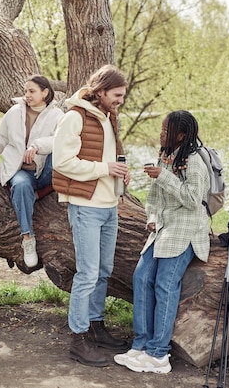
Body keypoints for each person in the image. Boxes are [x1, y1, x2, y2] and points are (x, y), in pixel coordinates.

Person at [114, 110, 210, 373]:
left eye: (166, 131)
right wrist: (153, 217)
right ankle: (141, 345)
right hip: (165, 227)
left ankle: (159, 355)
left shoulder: (194, 162)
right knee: (142, 278)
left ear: (181, 135)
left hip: (186, 229)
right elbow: (154, 198)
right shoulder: (166, 156)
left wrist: (163, 176)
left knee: (165, 285)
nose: (161, 134)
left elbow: (192, 200)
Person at [52, 65, 131, 367]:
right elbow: (62, 162)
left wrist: (120, 174)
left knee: (103, 270)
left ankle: (96, 326)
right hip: (85, 207)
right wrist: (104, 169)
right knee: (87, 274)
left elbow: (105, 158)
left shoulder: (108, 118)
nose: (121, 100)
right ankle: (78, 338)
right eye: (117, 95)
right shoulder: (74, 117)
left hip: (109, 205)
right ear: (101, 92)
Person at [0, 75, 64, 268]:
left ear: (45, 92)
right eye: (26, 91)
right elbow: (1, 139)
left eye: (32, 91)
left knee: (61, 154)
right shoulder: (14, 112)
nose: (27, 95)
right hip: (21, 170)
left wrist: (37, 146)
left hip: (45, 171)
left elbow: (61, 140)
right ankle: (28, 238)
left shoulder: (57, 116)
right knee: (21, 185)